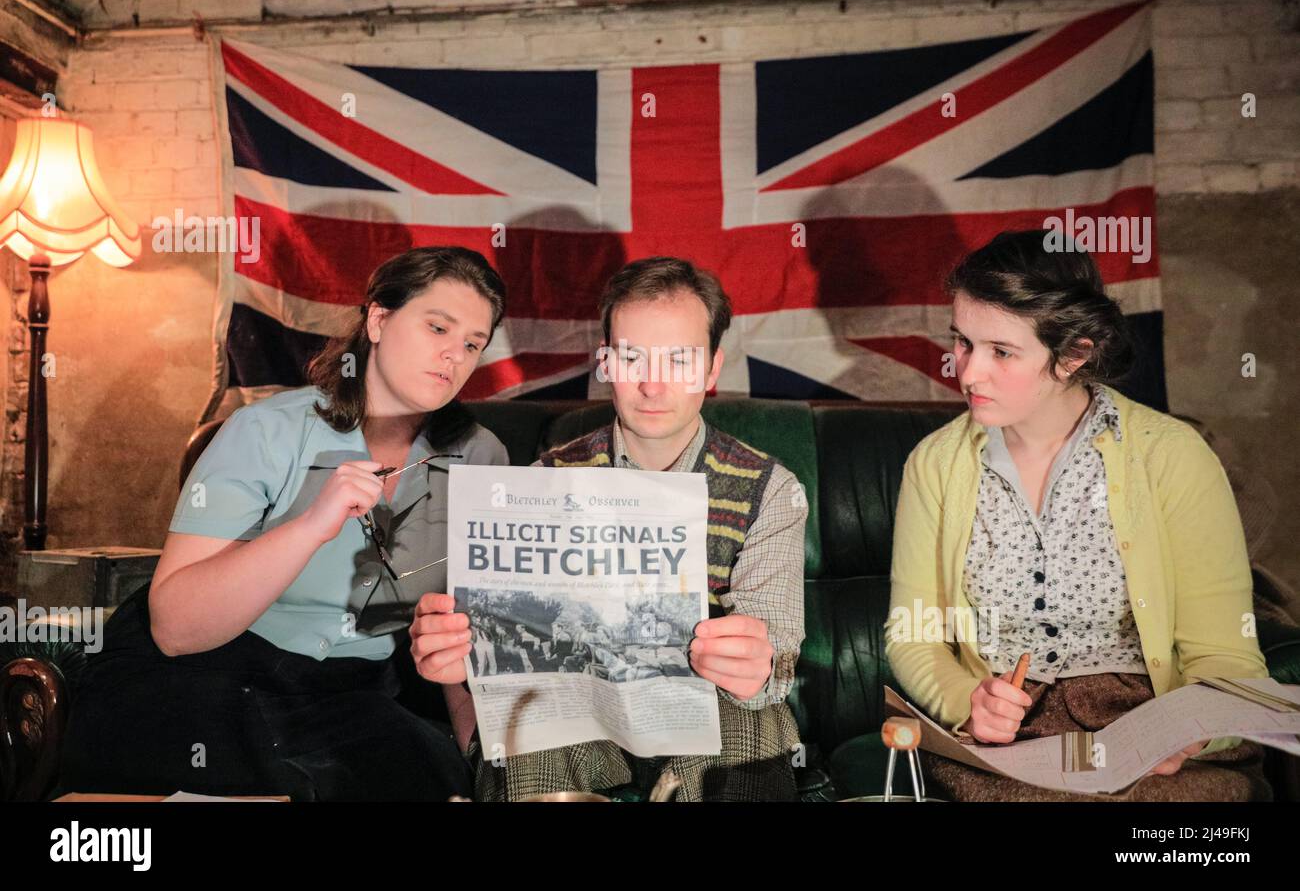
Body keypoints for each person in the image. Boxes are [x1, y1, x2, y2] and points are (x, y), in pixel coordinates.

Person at [59, 247, 510, 801]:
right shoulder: (265, 430)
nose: (453, 355)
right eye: (437, 326)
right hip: (207, 673)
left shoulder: (482, 457)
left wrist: (487, 768)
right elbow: (175, 630)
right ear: (378, 319)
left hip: (349, 694)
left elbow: (469, 628)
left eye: (472, 343)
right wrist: (308, 526)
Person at [886, 229, 1270, 801]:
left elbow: (1225, 652)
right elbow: (912, 636)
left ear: (1074, 355)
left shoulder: (1171, 454)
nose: (967, 373)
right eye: (963, 342)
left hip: (1146, 727)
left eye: (1002, 352)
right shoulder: (935, 464)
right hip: (1009, 744)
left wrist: (1189, 734)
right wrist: (968, 702)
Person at [410, 256, 808, 800]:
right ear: (606, 363)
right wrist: (459, 658)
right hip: (579, 721)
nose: (652, 384)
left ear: (712, 369)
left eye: (679, 359)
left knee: (748, 721)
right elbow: (497, 649)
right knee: (532, 718)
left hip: (707, 717)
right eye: (631, 357)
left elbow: (778, 648)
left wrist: (759, 668)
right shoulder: (543, 481)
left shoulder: (771, 489)